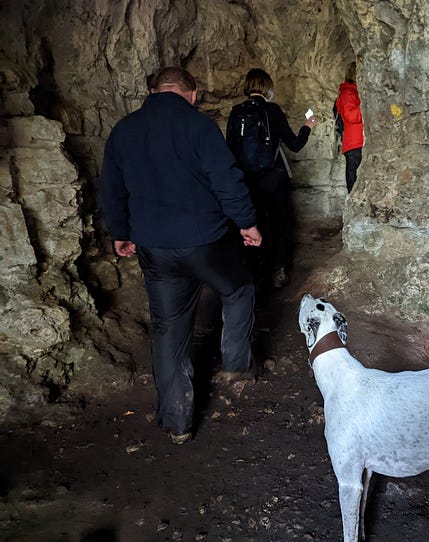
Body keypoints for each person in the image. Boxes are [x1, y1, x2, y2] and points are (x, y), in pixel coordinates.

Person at [100, 67, 262, 445]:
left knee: (167, 328)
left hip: (154, 247)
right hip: (204, 241)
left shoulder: (124, 130)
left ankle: (177, 422)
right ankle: (237, 365)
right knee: (238, 289)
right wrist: (247, 223)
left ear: (152, 91)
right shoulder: (199, 126)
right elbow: (226, 179)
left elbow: (112, 189)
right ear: (193, 93)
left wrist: (121, 234)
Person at [225, 68, 316, 289]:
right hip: (273, 180)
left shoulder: (236, 112)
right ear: (267, 88)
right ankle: (279, 270)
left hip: (245, 182)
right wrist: (308, 126)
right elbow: (294, 145)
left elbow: (228, 151)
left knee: (252, 224)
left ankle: (254, 272)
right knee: (280, 225)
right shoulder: (272, 110)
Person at [335, 61, 364, 192]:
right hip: (354, 143)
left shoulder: (352, 93)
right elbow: (351, 116)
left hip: (356, 142)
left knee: (357, 178)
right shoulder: (348, 94)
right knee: (354, 180)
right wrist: (364, 105)